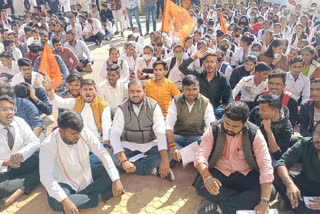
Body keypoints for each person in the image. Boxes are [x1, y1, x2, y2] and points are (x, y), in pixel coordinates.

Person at [194, 102, 274, 214]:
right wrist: (207, 177)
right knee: (201, 184)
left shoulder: (255, 134)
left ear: (245, 123)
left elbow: (266, 166)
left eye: (235, 126)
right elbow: (200, 156)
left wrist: (264, 202)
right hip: (219, 173)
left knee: (270, 192)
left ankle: (219, 208)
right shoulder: (214, 129)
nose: (229, 128)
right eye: (227, 123)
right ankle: (241, 200)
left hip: (245, 174)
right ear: (223, 117)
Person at [40, 111, 124, 213]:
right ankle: (100, 196)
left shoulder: (84, 133)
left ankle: (78, 199)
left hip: (85, 172)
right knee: (56, 203)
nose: (78, 136)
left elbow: (103, 154)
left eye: (79, 132)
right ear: (61, 131)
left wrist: (116, 180)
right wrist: (66, 201)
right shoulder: (47, 145)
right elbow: (45, 176)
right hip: (64, 181)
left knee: (114, 174)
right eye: (73, 133)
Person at [110, 79, 175, 180]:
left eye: (138, 91)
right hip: (129, 147)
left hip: (151, 146)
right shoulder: (121, 109)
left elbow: (160, 132)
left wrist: (165, 160)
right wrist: (123, 160)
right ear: (128, 93)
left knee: (169, 152)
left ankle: (135, 164)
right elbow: (114, 134)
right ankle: (153, 170)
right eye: (132, 92)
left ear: (144, 92)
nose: (135, 94)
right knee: (112, 156)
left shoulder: (154, 106)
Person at [0, 84, 40, 207]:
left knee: (43, 161)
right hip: (2, 171)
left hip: (20, 164)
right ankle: (23, 186)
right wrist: (6, 162)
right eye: (4, 109)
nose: (9, 113)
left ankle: (17, 192)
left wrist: (20, 154)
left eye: (12, 109)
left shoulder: (20, 122)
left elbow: (35, 142)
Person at [43, 77, 112, 146]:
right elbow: (59, 102)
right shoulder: (76, 102)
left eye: (90, 89)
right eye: (85, 89)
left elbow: (106, 127)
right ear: (81, 92)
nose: (88, 92)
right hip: (77, 141)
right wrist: (49, 90)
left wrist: (106, 145)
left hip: (96, 141)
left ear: (96, 91)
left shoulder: (103, 106)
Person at [165, 75, 215, 161]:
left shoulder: (205, 102)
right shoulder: (175, 101)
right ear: (182, 89)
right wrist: (173, 147)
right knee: (163, 141)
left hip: (197, 138)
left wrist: (206, 143)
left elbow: (210, 126)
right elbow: (169, 125)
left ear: (199, 88)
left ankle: (181, 156)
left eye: (194, 89)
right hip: (178, 137)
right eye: (188, 89)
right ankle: (193, 157)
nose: (191, 93)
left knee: (211, 142)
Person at [274, 121, 320, 214]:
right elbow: (282, 162)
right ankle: (295, 204)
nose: (319, 138)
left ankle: (296, 207)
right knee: (276, 174)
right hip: (306, 184)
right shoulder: (305, 143)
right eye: (317, 133)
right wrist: (289, 183)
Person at [249, 93, 293, 161]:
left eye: (263, 110)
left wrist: (269, 131)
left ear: (276, 111)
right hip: (253, 148)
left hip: (270, 155)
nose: (260, 112)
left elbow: (277, 155)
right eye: (260, 108)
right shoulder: (256, 111)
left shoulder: (286, 127)